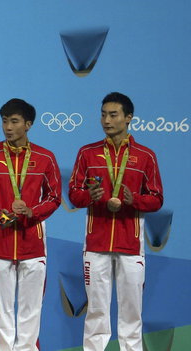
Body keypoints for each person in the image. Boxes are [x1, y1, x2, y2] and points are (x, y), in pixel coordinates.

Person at [68, 92, 163, 351]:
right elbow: (74, 195)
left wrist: (134, 201)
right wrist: (92, 197)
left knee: (131, 314)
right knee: (97, 312)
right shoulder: (87, 153)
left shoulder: (145, 156)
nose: (106, 120)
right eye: (103, 114)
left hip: (131, 246)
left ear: (128, 118)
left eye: (113, 115)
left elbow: (156, 199)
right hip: (96, 244)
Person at [0, 98, 62, 351]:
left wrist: (32, 212)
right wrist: (0, 215)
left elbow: (54, 198)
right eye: (4, 121)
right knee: (2, 309)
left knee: (31, 309)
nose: (7, 127)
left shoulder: (46, 158)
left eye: (14, 121)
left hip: (33, 242)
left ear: (28, 124)